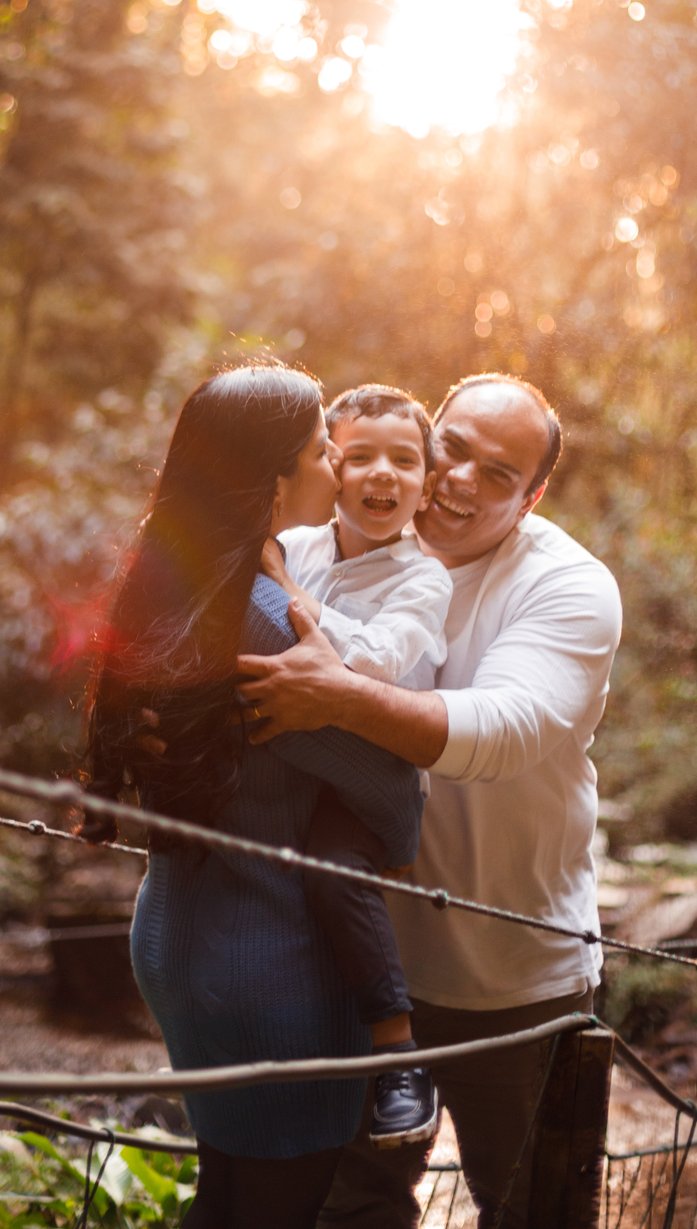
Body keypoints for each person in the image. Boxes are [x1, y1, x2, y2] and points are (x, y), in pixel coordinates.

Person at [236, 374, 623, 1229]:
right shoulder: (328, 541)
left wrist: (337, 696)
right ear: (426, 432)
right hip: (350, 964)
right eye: (452, 449)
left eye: (498, 473)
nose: (458, 481)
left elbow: (502, 730)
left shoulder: (568, 587)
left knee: (532, 1210)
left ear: (532, 496)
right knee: (348, 1211)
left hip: (514, 977)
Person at [84, 364, 425, 1229]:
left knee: (224, 1198)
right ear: (274, 480)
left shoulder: (177, 592)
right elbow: (396, 807)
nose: (338, 463)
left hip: (179, 943)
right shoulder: (272, 629)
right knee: (273, 1208)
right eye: (321, 450)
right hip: (271, 971)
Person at [263, 384, 451, 1147]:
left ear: (426, 482)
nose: (384, 475)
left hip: (375, 775)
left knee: (333, 867)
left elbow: (373, 661)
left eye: (405, 461)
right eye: (361, 455)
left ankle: (398, 1052)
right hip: (299, 755)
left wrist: (282, 590)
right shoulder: (300, 541)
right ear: (328, 465)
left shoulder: (422, 577)